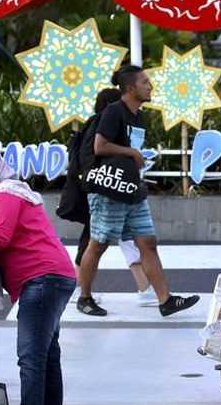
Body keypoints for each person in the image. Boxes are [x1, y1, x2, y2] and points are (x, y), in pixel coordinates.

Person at [74, 65, 200, 318]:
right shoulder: (114, 112)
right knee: (98, 244)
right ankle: (84, 298)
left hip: (132, 189)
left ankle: (166, 300)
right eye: (145, 82)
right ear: (131, 88)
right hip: (110, 190)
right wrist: (132, 153)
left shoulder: (137, 115)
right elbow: (100, 146)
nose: (150, 87)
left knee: (147, 242)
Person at [0, 143, 77, 405]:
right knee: (46, 356)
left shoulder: (5, 193)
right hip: (49, 277)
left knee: (31, 357)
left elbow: (0, 238)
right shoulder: (0, 195)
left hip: (42, 278)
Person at [67, 87, 158, 311]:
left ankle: (144, 288)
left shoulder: (104, 125)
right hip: (104, 190)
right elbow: (92, 156)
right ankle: (80, 291)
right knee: (96, 241)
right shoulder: (101, 126)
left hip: (110, 189)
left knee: (115, 239)